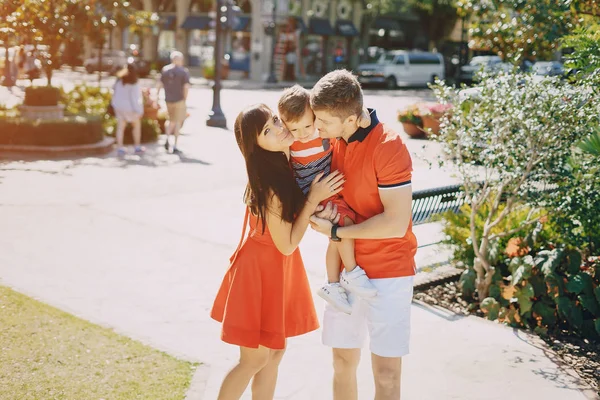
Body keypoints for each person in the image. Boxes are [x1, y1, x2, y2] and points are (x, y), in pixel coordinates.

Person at [210, 104, 345, 400]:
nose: (277, 130)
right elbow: (286, 243)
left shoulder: (284, 157)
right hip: (261, 268)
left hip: (276, 266)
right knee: (254, 359)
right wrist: (313, 200)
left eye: (273, 121)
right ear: (255, 145)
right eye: (266, 132)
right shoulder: (270, 182)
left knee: (275, 353)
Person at [308, 69, 417, 400]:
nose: (318, 128)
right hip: (345, 274)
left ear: (353, 119)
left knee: (385, 375)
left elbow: (396, 223)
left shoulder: (389, 147)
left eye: (324, 121)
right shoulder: (337, 141)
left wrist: (338, 230)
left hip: (389, 273)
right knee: (342, 362)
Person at [277, 85, 377, 314]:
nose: (302, 133)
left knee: (337, 235)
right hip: (314, 195)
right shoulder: (289, 142)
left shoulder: (322, 131)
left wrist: (362, 117)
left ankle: (333, 284)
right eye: (294, 128)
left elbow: (342, 118)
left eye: (307, 125)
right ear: (285, 125)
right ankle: (351, 273)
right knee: (345, 226)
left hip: (329, 191)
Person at [157, 50, 190, 154]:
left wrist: (157, 96)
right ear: (179, 60)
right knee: (176, 122)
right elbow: (186, 87)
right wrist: (185, 99)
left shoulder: (165, 70)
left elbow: (159, 84)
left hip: (168, 99)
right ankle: (174, 145)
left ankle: (167, 138)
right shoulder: (183, 71)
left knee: (171, 119)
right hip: (179, 99)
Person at [111, 62, 144, 156]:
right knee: (136, 126)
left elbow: (114, 91)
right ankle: (137, 146)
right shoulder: (134, 82)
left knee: (120, 127)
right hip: (130, 108)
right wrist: (139, 110)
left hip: (119, 106)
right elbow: (135, 98)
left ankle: (120, 147)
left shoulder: (119, 80)